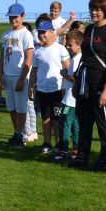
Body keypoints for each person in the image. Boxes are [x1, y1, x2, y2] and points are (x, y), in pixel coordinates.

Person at [71, 0, 106, 172]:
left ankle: (105, 161)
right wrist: (77, 83)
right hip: (85, 83)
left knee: (104, 124)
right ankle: (82, 157)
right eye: (92, 8)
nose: (94, 12)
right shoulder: (90, 29)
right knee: (84, 122)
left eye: (98, 9)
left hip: (102, 83)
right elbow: (84, 57)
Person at [29, 20, 70, 154]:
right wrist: (31, 86)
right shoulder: (37, 51)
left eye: (44, 32)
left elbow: (68, 69)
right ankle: (47, 143)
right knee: (45, 119)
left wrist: (66, 87)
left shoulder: (60, 48)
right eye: (39, 32)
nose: (41, 35)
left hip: (58, 90)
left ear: (52, 32)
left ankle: (58, 144)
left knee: (56, 120)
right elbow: (34, 71)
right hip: (42, 90)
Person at [0, 3, 34, 148]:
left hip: (19, 76)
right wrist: (0, 75)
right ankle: (17, 134)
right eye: (11, 17)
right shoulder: (6, 34)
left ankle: (20, 135)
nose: (13, 19)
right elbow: (2, 56)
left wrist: (22, 78)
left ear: (22, 16)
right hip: (7, 76)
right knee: (11, 108)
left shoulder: (26, 34)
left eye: (16, 16)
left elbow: (29, 58)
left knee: (21, 109)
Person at [57, 29, 83, 160]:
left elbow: (76, 80)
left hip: (70, 100)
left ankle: (64, 150)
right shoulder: (79, 58)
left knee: (64, 122)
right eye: (67, 44)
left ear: (79, 45)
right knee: (75, 124)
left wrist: (64, 74)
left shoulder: (76, 59)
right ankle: (77, 148)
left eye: (70, 45)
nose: (67, 47)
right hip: (74, 99)